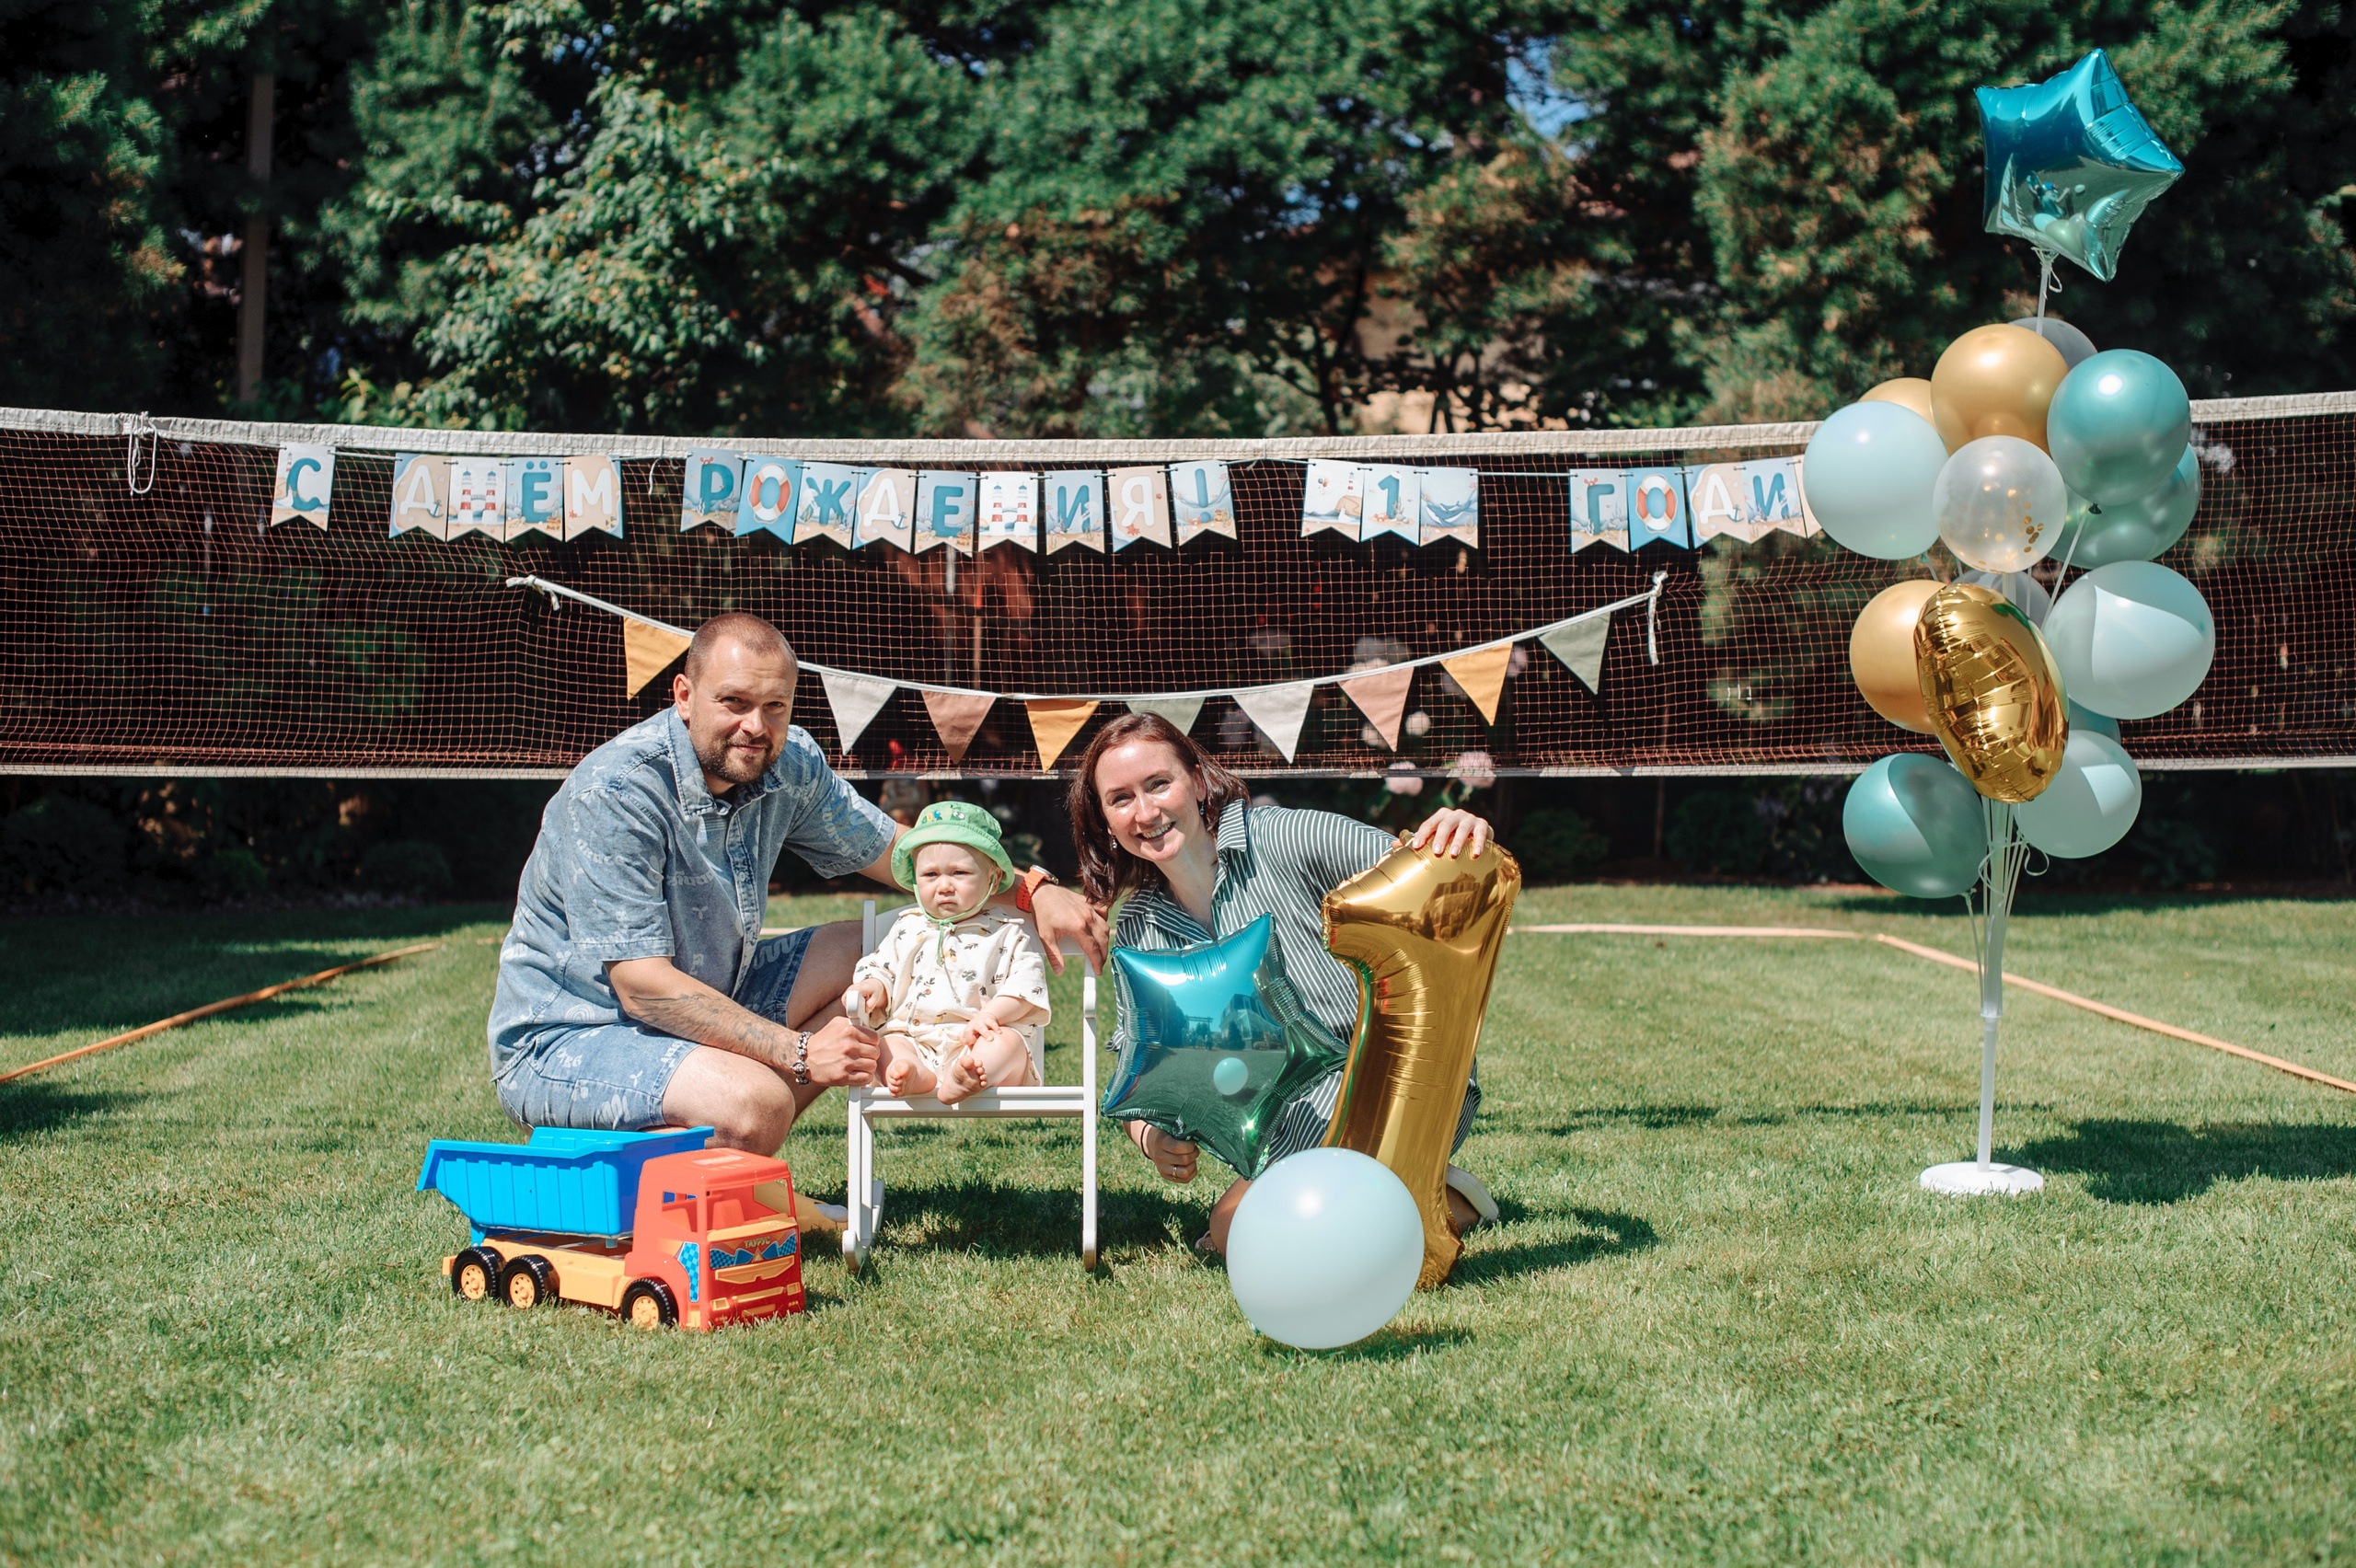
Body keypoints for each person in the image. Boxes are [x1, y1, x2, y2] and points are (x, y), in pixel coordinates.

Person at [487, 612, 1105, 1172]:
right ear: (683, 695)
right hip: (573, 1037)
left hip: (713, 999)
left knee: (880, 941)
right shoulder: (618, 792)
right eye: (733, 702)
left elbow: (911, 860)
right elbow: (640, 986)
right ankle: (701, 1180)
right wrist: (800, 1053)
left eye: (775, 706)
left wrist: (1033, 891)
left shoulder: (787, 762)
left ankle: (731, 1158)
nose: (755, 726)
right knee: (755, 1105)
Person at [1067, 711, 1500, 1254]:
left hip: (1398, 1079)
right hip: (1284, 1121)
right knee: (1235, 1236)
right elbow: (1144, 1067)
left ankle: (1412, 1189)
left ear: (1198, 782)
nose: (1146, 812)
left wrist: (1462, 831)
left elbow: (1422, 870)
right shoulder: (1137, 927)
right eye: (1121, 798)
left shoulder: (1288, 836)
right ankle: (1429, 1195)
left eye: (1159, 784)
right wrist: (1151, 1137)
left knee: (1241, 1234)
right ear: (1105, 819)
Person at [849, 801, 1051, 1102]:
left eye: (959, 873)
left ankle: (970, 1073)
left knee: (1006, 1043)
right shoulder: (906, 929)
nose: (944, 886)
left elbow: (1026, 987)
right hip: (914, 1038)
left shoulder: (1006, 933)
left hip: (980, 1038)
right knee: (885, 1046)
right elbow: (880, 966)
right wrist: (873, 986)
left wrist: (990, 1015)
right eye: (931, 875)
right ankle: (913, 1073)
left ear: (993, 879)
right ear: (915, 879)